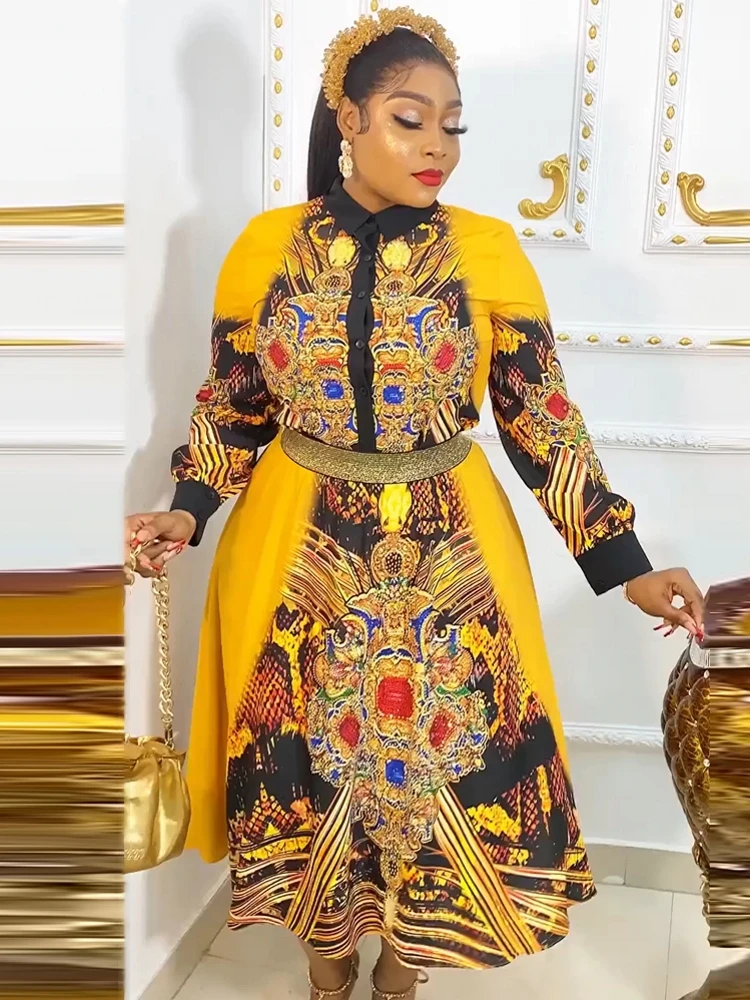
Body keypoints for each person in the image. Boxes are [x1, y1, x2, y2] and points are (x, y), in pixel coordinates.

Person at [126, 8, 705, 999]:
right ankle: (326, 972)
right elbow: (233, 403)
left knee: (456, 779)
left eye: (452, 124)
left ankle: (401, 973)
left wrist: (627, 564)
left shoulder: (488, 252)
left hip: (454, 554)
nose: (438, 145)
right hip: (292, 550)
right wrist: (188, 506)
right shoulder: (263, 250)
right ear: (349, 118)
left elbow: (542, 419)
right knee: (302, 771)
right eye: (409, 119)